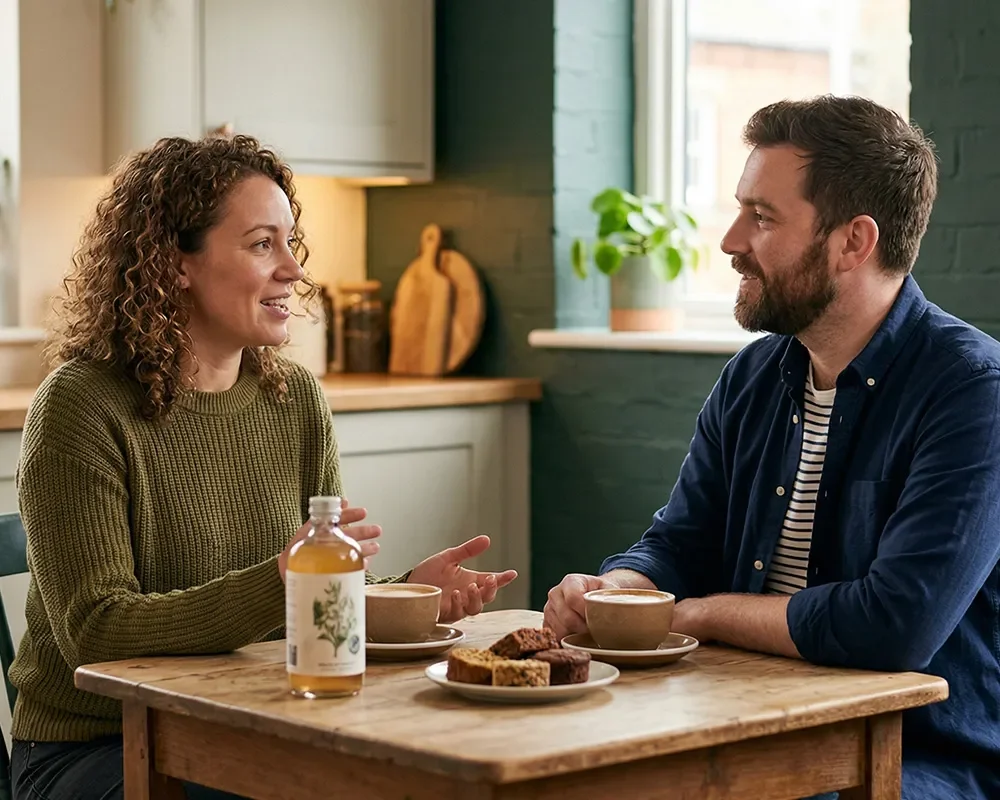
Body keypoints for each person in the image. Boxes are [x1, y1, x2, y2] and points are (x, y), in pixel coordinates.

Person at [8, 134, 517, 800]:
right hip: (96, 748)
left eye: (289, 243)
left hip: (258, 729)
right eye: (259, 244)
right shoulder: (82, 404)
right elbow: (96, 632)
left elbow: (311, 599)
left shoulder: (295, 399)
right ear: (175, 263)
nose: (293, 271)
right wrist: (284, 580)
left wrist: (404, 596)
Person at [544, 95, 1000, 800]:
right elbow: (680, 543)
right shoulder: (755, 375)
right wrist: (621, 590)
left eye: (762, 217)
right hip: (747, 723)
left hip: (915, 758)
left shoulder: (973, 391)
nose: (729, 240)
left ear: (854, 241)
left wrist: (692, 614)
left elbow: (893, 625)